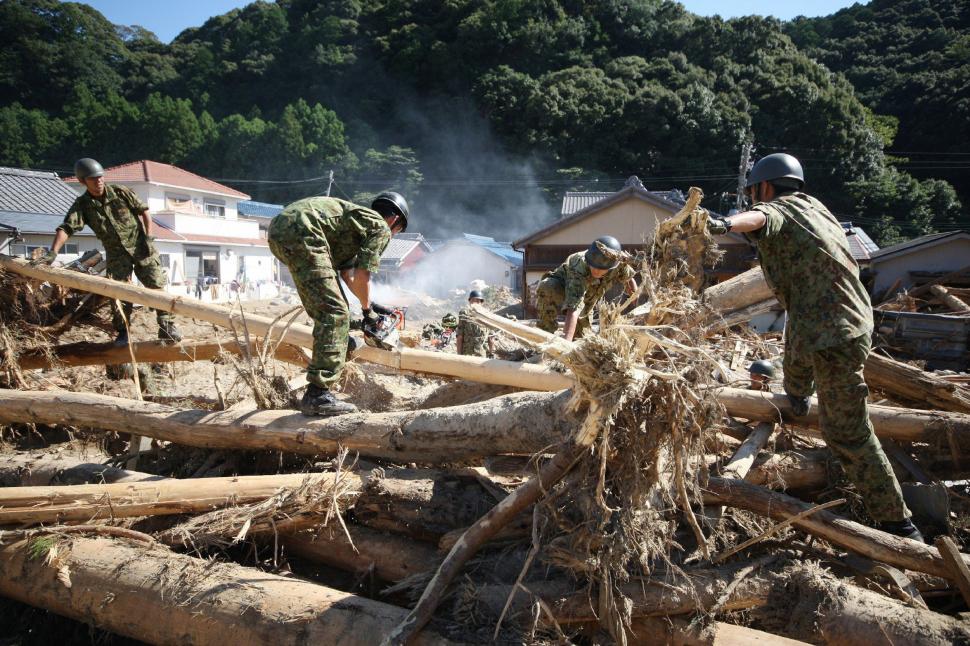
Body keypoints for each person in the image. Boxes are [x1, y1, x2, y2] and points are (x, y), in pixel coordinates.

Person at [707, 153, 922, 542]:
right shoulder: (816, 208)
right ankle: (798, 396)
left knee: (847, 432)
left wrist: (722, 223)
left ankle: (899, 524)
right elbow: (798, 339)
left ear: (766, 187)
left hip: (833, 332)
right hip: (832, 323)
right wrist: (796, 393)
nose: (755, 199)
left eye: (755, 192)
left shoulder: (778, 210)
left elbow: (760, 218)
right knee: (798, 364)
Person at [269, 191, 409, 417]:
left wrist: (370, 305)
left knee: (330, 307)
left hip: (281, 229)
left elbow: (348, 276)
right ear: (395, 220)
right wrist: (367, 312)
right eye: (398, 230)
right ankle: (317, 395)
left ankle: (340, 343)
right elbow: (363, 275)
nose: (394, 234)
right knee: (335, 313)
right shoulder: (380, 227)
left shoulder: (353, 226)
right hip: (305, 231)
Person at [34, 158, 180, 346]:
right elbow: (67, 228)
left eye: (100, 177)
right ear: (83, 182)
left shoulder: (120, 192)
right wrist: (53, 252)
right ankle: (123, 333)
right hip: (116, 254)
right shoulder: (83, 205)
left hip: (141, 247)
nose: (99, 181)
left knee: (156, 285)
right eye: (93, 179)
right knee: (118, 293)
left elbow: (144, 212)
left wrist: (149, 237)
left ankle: (167, 327)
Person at [535, 236, 637, 341]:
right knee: (547, 286)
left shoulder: (617, 262)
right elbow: (573, 307)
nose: (596, 271)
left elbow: (629, 277)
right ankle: (545, 332)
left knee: (581, 338)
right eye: (594, 266)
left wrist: (634, 300)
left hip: (588, 297)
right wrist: (565, 343)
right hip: (562, 287)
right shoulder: (579, 266)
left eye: (601, 269)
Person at [457, 290, 494, 357]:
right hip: (479, 355)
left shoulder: (464, 313)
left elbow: (460, 337)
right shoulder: (487, 314)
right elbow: (491, 339)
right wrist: (491, 353)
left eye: (477, 301)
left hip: (469, 355)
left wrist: (459, 355)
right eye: (475, 300)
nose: (475, 302)